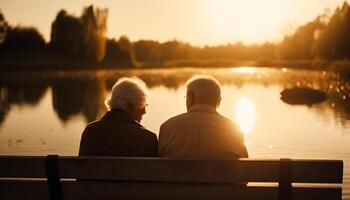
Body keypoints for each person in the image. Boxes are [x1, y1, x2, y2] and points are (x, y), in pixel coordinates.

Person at [159, 75, 248, 158]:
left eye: (186, 97)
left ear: (190, 97)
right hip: (219, 175)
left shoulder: (167, 128)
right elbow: (245, 166)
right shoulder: (234, 130)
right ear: (219, 101)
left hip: (178, 175)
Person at [79, 77, 158, 157]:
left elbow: (79, 167)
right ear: (130, 105)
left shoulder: (90, 131)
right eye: (142, 105)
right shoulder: (148, 139)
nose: (144, 112)